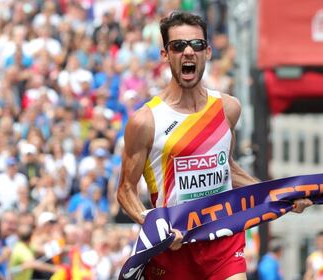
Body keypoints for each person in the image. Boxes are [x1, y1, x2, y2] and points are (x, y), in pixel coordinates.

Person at [117, 11, 312, 280]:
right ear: (165, 54)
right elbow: (126, 190)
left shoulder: (228, 108)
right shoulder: (146, 121)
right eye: (178, 46)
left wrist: (280, 195)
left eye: (196, 45)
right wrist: (154, 226)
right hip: (174, 244)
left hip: (223, 236)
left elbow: (227, 169)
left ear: (207, 52)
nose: (188, 52)